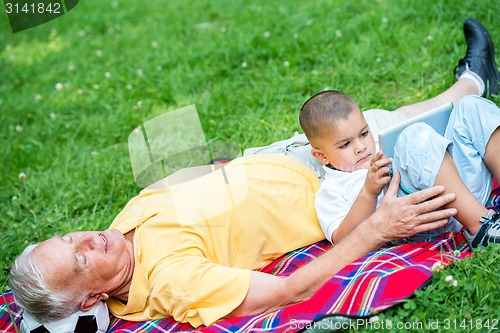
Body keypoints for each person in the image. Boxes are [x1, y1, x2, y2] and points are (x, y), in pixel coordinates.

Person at [5, 18, 492, 328]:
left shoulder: (119, 231)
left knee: (380, 119)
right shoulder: (172, 280)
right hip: (325, 188)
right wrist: (377, 229)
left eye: (70, 237)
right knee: (409, 135)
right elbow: (286, 292)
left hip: (273, 157)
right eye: (81, 259)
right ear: (93, 296)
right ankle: (471, 91)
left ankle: (468, 87)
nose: (89, 240)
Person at [299, 18, 500, 248]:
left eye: (363, 133)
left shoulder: (382, 146)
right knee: (413, 137)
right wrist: (368, 192)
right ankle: (481, 229)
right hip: (423, 221)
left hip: (462, 195)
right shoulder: (331, 192)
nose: (361, 146)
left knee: (470, 106)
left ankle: (480, 215)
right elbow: (343, 241)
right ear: (321, 156)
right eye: (345, 145)